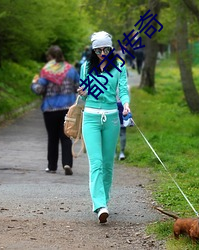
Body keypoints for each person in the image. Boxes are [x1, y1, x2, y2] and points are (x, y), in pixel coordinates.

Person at [77, 31, 130, 223]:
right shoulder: (85, 67)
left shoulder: (118, 67)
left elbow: (123, 90)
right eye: (98, 50)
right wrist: (82, 92)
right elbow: (83, 95)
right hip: (90, 117)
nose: (102, 53)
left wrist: (125, 104)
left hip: (112, 118)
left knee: (108, 164)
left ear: (111, 48)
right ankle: (99, 204)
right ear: (93, 50)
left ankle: (104, 201)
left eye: (105, 49)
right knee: (96, 163)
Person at [31, 45, 79, 175]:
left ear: (50, 57)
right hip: (67, 109)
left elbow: (39, 90)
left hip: (50, 109)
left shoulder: (46, 71)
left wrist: (34, 83)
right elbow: (78, 87)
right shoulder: (71, 70)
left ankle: (52, 167)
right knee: (66, 137)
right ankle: (67, 163)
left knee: (52, 138)